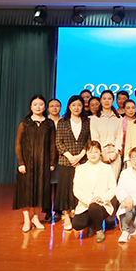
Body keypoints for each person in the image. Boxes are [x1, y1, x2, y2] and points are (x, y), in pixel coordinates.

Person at [14, 95, 56, 232]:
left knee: (41, 190)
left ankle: (36, 218)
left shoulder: (49, 123)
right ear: (31, 107)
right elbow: (18, 144)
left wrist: (51, 162)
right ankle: (27, 219)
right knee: (26, 191)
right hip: (27, 163)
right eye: (35, 104)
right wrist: (20, 162)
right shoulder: (25, 123)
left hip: (43, 163)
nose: (38, 107)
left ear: (45, 107)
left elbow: (52, 144)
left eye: (41, 104)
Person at [56, 95, 90, 230]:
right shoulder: (62, 122)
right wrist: (71, 157)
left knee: (80, 187)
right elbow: (58, 142)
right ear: (69, 106)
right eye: (74, 105)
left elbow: (89, 140)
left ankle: (77, 212)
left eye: (79, 105)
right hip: (66, 160)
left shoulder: (87, 121)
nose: (76, 108)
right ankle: (66, 215)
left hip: (83, 160)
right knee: (66, 188)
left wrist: (80, 156)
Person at [71, 141, 117, 243]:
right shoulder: (80, 169)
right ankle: (91, 224)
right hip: (85, 205)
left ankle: (99, 230)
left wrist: (102, 198)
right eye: (90, 152)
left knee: (94, 207)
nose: (93, 154)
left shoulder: (107, 168)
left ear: (100, 153)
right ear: (86, 153)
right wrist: (90, 200)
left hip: (102, 205)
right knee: (77, 224)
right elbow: (76, 190)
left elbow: (113, 188)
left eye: (96, 152)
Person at [90, 90, 124, 180]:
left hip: (114, 152)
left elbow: (119, 137)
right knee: (101, 181)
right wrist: (103, 153)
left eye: (109, 99)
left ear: (113, 101)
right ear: (101, 101)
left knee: (113, 181)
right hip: (100, 152)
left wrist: (115, 153)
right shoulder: (95, 118)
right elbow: (95, 138)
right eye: (104, 99)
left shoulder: (118, 118)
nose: (106, 101)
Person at [43, 98, 62, 223]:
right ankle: (47, 212)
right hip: (46, 157)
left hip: (61, 157)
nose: (55, 108)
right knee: (47, 186)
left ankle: (59, 211)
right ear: (48, 108)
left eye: (57, 106)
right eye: (52, 106)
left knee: (59, 185)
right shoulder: (44, 122)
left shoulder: (64, 121)